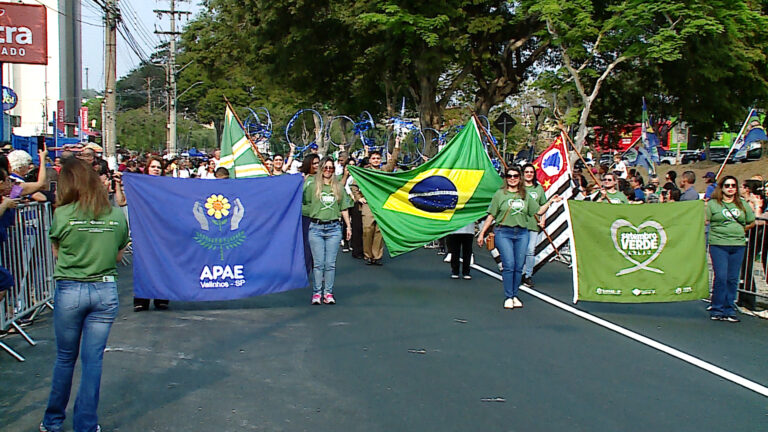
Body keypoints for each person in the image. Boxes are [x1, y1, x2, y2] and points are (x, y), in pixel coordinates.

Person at [39, 159, 129, 432]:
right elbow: (118, 254)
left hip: (71, 288)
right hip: (104, 289)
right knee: (93, 361)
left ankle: (53, 421)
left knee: (66, 358)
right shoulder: (114, 215)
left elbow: (57, 252)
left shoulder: (63, 214)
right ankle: (86, 425)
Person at [477, 166, 561, 309]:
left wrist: (551, 201)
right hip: (503, 232)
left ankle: (515, 294)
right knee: (509, 264)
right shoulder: (500, 194)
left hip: (522, 233)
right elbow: (491, 215)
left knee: (518, 266)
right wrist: (482, 233)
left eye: (516, 176)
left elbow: (539, 210)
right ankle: (509, 296)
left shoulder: (525, 195)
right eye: (509, 176)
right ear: (506, 178)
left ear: (519, 178)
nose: (513, 178)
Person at [706, 176, 755, 322]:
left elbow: (751, 221)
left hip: (737, 245)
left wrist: (741, 230)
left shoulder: (742, 204)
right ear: (722, 188)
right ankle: (717, 308)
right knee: (721, 277)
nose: (730, 188)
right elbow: (704, 219)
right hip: (719, 244)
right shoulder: (713, 204)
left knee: (732, 278)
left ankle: (729, 309)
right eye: (727, 185)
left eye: (733, 185)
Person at [303, 157, 352, 305]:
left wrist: (348, 226)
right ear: (321, 169)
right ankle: (317, 293)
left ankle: (328, 293)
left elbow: (344, 207)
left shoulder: (338, 187)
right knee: (318, 264)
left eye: (331, 168)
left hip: (334, 228)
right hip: (316, 227)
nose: (328, 171)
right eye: (325, 168)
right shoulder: (312, 186)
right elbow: (303, 201)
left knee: (330, 264)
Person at [350, 141, 400, 265]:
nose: (376, 160)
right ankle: (368, 255)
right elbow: (354, 185)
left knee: (379, 231)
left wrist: (397, 145)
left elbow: (393, 162)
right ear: (370, 160)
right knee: (367, 230)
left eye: (378, 158)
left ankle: (377, 256)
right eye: (374, 158)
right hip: (368, 206)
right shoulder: (364, 172)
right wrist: (359, 198)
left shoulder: (384, 170)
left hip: (381, 205)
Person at [131, 156, 170, 311]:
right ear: (147, 168)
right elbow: (122, 202)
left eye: (158, 167)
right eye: (153, 166)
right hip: (144, 229)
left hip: (162, 230)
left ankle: (162, 298)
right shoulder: (138, 185)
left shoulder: (167, 186)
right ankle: (142, 299)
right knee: (144, 263)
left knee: (163, 263)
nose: (156, 169)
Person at [521, 163, 547, 287]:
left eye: (531, 172)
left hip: (533, 225)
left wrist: (543, 220)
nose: (529, 174)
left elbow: (543, 205)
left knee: (530, 250)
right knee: (519, 251)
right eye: (526, 172)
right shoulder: (518, 187)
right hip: (519, 224)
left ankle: (528, 275)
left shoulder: (538, 188)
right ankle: (518, 273)